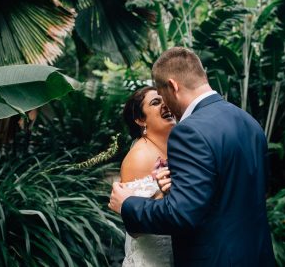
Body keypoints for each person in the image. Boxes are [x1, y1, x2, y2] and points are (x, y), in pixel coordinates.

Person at [109, 47, 275, 266]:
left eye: (162, 95)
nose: (165, 104)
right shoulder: (249, 122)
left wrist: (127, 204)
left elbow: (181, 215)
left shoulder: (189, 131)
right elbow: (234, 192)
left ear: (173, 86)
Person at [119, 86, 175, 266]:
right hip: (154, 258)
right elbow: (134, 225)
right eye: (156, 102)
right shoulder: (139, 157)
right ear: (140, 120)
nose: (165, 104)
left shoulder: (174, 147)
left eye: (165, 99)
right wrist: (164, 195)